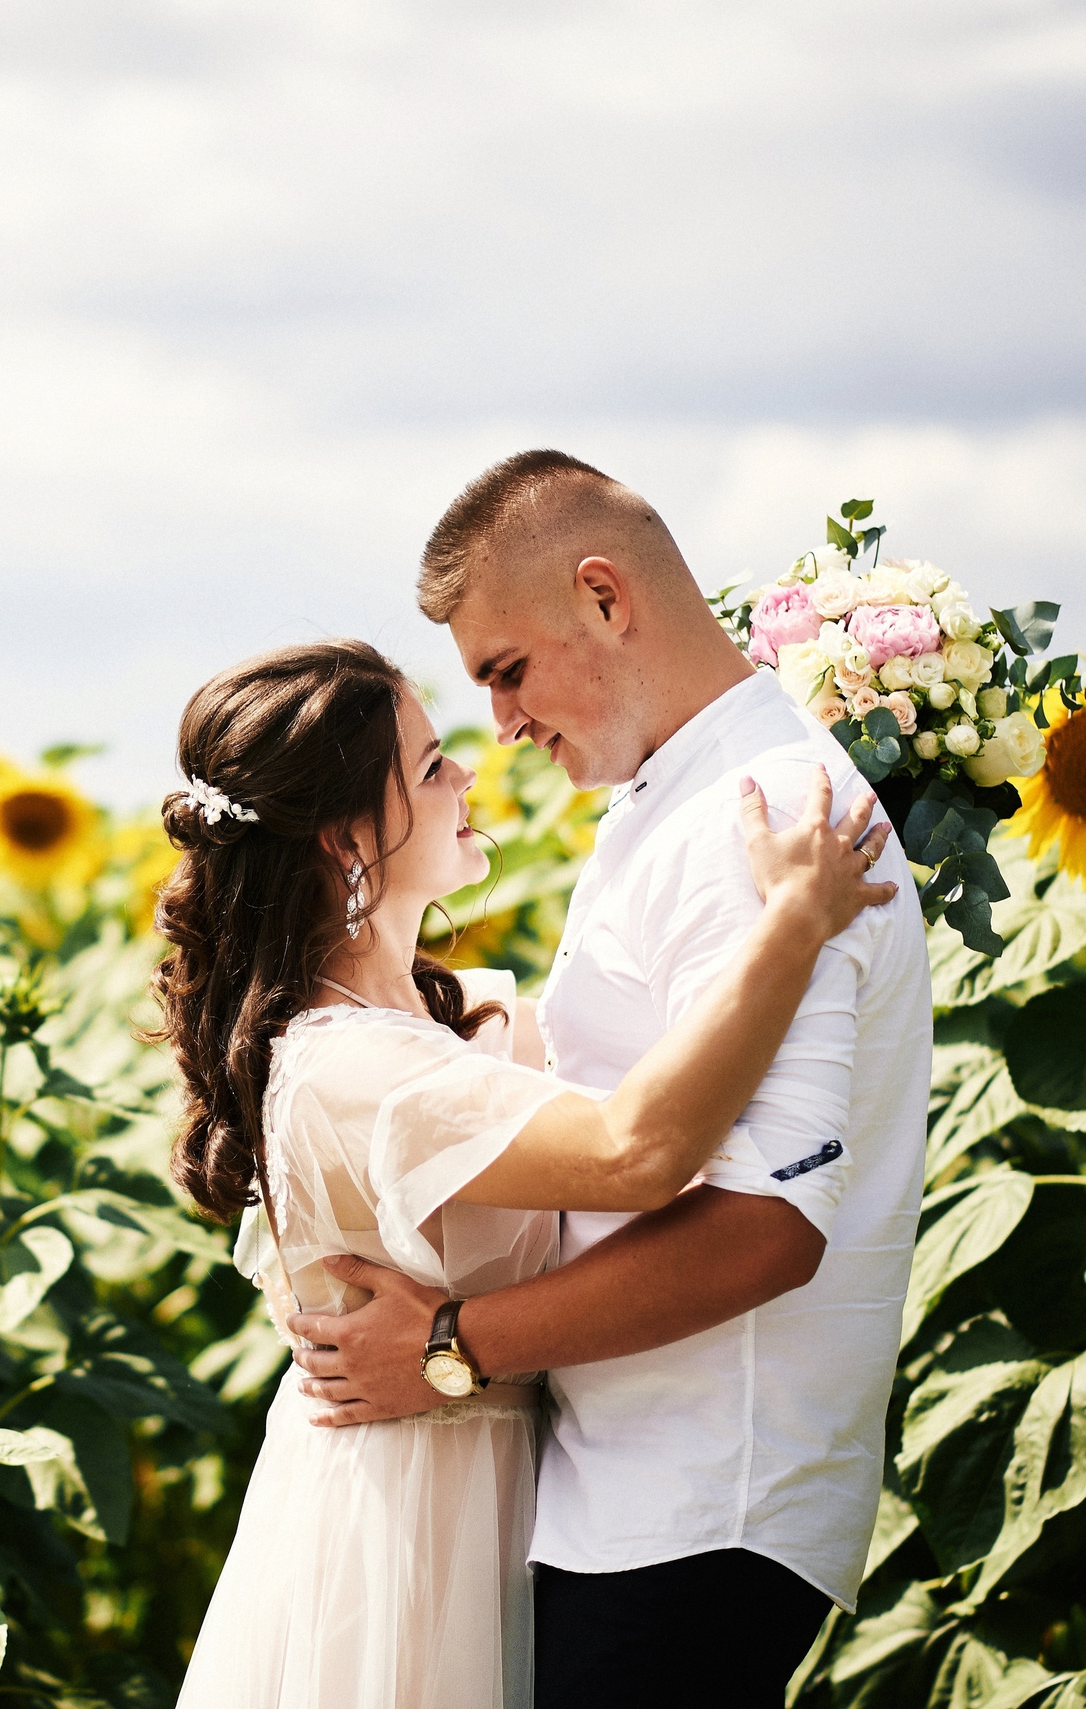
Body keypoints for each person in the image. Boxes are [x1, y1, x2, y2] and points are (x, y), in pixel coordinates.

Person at [284, 452, 936, 1708]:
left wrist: (446, 1347)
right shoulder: (671, 805)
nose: (502, 727)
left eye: (505, 670)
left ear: (603, 596)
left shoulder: (762, 820)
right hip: (629, 1489)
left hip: (703, 1502)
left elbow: (763, 1231)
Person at [153, 637, 898, 1709]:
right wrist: (789, 923)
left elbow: (657, 1057)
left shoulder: (442, 1026)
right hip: (405, 1524)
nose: (467, 774)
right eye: (427, 766)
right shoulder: (354, 1065)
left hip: (490, 1497)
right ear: (343, 838)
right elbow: (639, 1149)